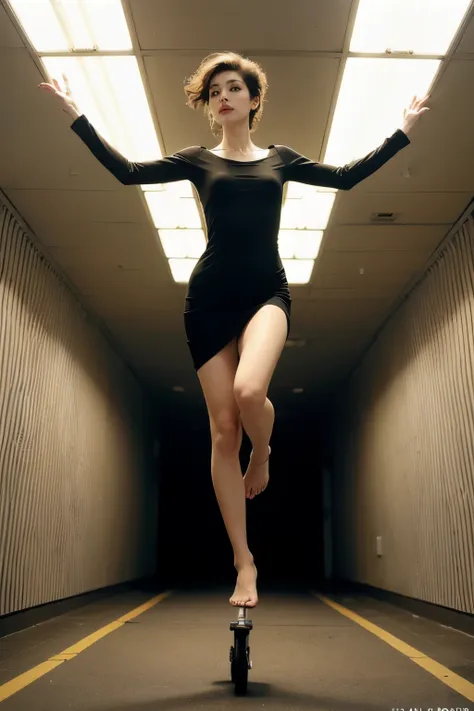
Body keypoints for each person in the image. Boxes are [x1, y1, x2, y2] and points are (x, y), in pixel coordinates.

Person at [38, 51, 430, 608]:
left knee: (250, 392)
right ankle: (244, 561)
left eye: (234, 88)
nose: (223, 96)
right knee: (223, 430)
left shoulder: (281, 159)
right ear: (210, 105)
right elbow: (128, 173)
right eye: (215, 90)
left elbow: (346, 179)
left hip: (266, 291)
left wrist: (401, 132)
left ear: (252, 100)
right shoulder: (197, 160)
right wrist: (78, 116)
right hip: (208, 300)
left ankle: (263, 450)